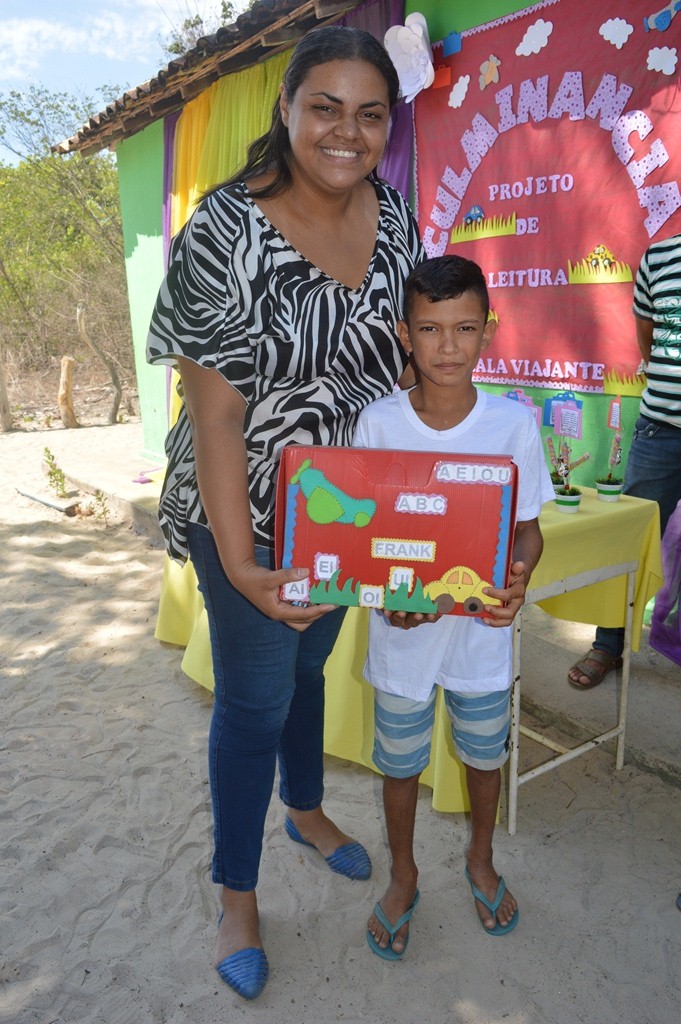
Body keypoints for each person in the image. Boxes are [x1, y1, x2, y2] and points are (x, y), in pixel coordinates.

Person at [146, 26, 424, 1000]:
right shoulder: (221, 229)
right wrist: (244, 561)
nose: (346, 132)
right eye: (325, 107)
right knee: (256, 697)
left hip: (340, 508)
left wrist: (415, 527)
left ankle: (305, 808)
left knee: (310, 661)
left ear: (390, 125)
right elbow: (217, 415)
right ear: (287, 108)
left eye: (370, 113)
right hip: (243, 511)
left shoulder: (395, 222)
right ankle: (236, 892)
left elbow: (397, 367)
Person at [354, 256, 555, 959]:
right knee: (400, 763)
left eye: (464, 328)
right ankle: (402, 874)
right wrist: (384, 599)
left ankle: (478, 858)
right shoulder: (376, 425)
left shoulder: (511, 426)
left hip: (480, 639)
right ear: (403, 334)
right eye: (429, 329)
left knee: (481, 755)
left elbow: (527, 526)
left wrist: (520, 575)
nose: (446, 347)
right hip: (401, 638)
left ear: (487, 332)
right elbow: (360, 537)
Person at [568, 233, 681, 689]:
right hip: (661, 428)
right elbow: (648, 336)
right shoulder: (660, 256)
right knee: (629, 540)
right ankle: (607, 642)